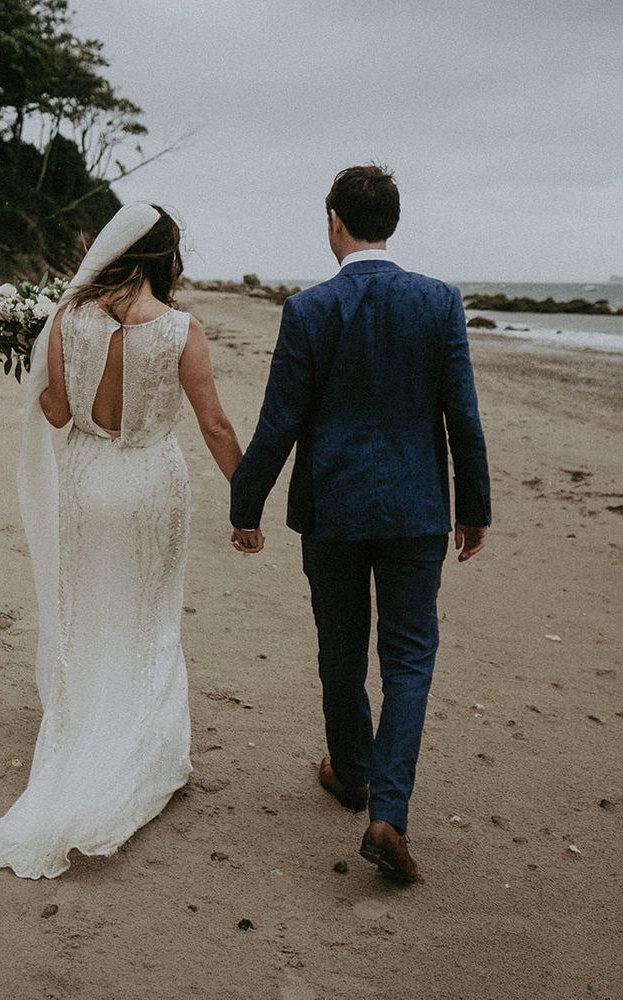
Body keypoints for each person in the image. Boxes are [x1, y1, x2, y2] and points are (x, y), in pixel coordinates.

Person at [230, 165, 491, 883]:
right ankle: (388, 813)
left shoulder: (309, 309)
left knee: (340, 649)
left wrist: (245, 506)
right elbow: (461, 416)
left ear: (335, 223)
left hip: (335, 511)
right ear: (391, 223)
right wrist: (474, 508)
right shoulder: (439, 303)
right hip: (415, 513)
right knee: (409, 659)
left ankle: (351, 771)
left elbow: (279, 421)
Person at [0, 203, 249, 879]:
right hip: (151, 482)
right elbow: (214, 425)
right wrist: (246, 499)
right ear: (166, 257)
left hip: (87, 477)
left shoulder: (68, 319)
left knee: (89, 608)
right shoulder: (182, 330)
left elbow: (57, 412)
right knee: (149, 614)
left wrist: (40, 359)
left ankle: (85, 728)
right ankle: (146, 751)